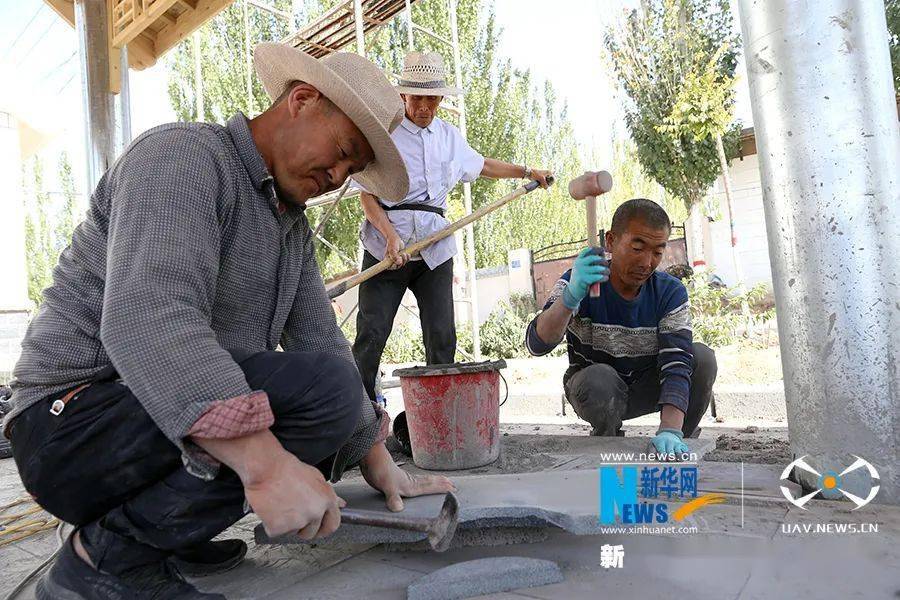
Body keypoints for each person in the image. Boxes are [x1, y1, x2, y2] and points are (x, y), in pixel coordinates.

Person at [3, 44, 452, 600]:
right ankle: (106, 561)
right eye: (341, 151)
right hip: (68, 425)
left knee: (331, 392)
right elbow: (150, 319)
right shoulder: (184, 158)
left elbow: (320, 337)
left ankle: (162, 533)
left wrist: (377, 459)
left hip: (134, 421)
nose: (337, 176)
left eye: (351, 170)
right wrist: (266, 468)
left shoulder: (287, 226)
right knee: (324, 395)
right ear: (302, 99)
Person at [352, 51, 552, 403]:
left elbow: (483, 165)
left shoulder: (449, 137)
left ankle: (437, 411)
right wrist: (389, 236)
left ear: (441, 99)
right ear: (404, 96)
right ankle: (361, 411)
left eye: (432, 98)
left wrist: (526, 171)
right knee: (372, 332)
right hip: (387, 245)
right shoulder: (385, 135)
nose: (424, 106)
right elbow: (367, 197)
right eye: (417, 98)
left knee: (441, 334)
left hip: (435, 245)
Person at [525, 198, 717, 458]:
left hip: (649, 386)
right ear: (611, 242)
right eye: (637, 248)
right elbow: (537, 344)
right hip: (597, 390)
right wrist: (570, 298)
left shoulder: (669, 292)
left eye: (657, 252)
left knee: (701, 358)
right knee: (599, 380)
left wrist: (670, 428)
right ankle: (606, 440)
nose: (647, 262)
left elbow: (677, 362)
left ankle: (678, 438)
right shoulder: (581, 281)